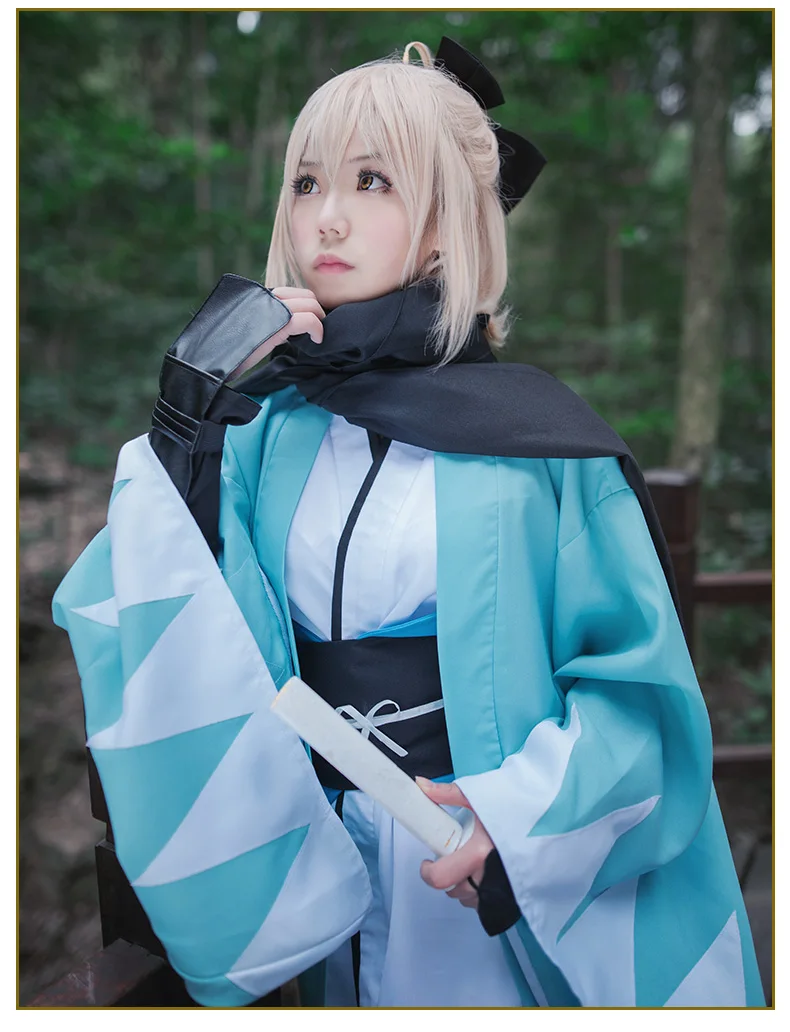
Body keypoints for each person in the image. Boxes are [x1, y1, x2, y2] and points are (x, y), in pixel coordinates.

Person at [53, 38, 764, 1009]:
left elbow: (638, 703)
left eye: (374, 181)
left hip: (472, 874)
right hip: (305, 867)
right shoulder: (263, 434)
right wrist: (184, 424)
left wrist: (516, 823)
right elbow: (166, 624)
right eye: (306, 183)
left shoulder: (545, 452)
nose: (326, 215)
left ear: (445, 223)